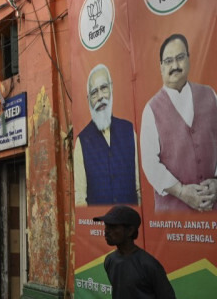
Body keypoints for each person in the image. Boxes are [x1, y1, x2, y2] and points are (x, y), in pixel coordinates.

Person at [140, 34, 217, 211]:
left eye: (180, 58)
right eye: (168, 61)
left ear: (189, 59)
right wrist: (181, 192)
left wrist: (216, 183)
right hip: (173, 217)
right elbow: (150, 164)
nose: (175, 66)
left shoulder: (210, 95)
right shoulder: (151, 110)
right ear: (161, 67)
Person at [74, 64, 140, 206]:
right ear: (89, 100)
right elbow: (80, 198)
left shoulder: (129, 131)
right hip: (99, 226)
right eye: (94, 93)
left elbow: (139, 188)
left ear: (111, 89)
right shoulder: (82, 141)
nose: (100, 97)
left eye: (103, 88)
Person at [93, 205, 176, 298]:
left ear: (130, 231)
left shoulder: (149, 265)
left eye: (113, 226)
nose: (106, 231)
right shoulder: (110, 261)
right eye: (106, 226)